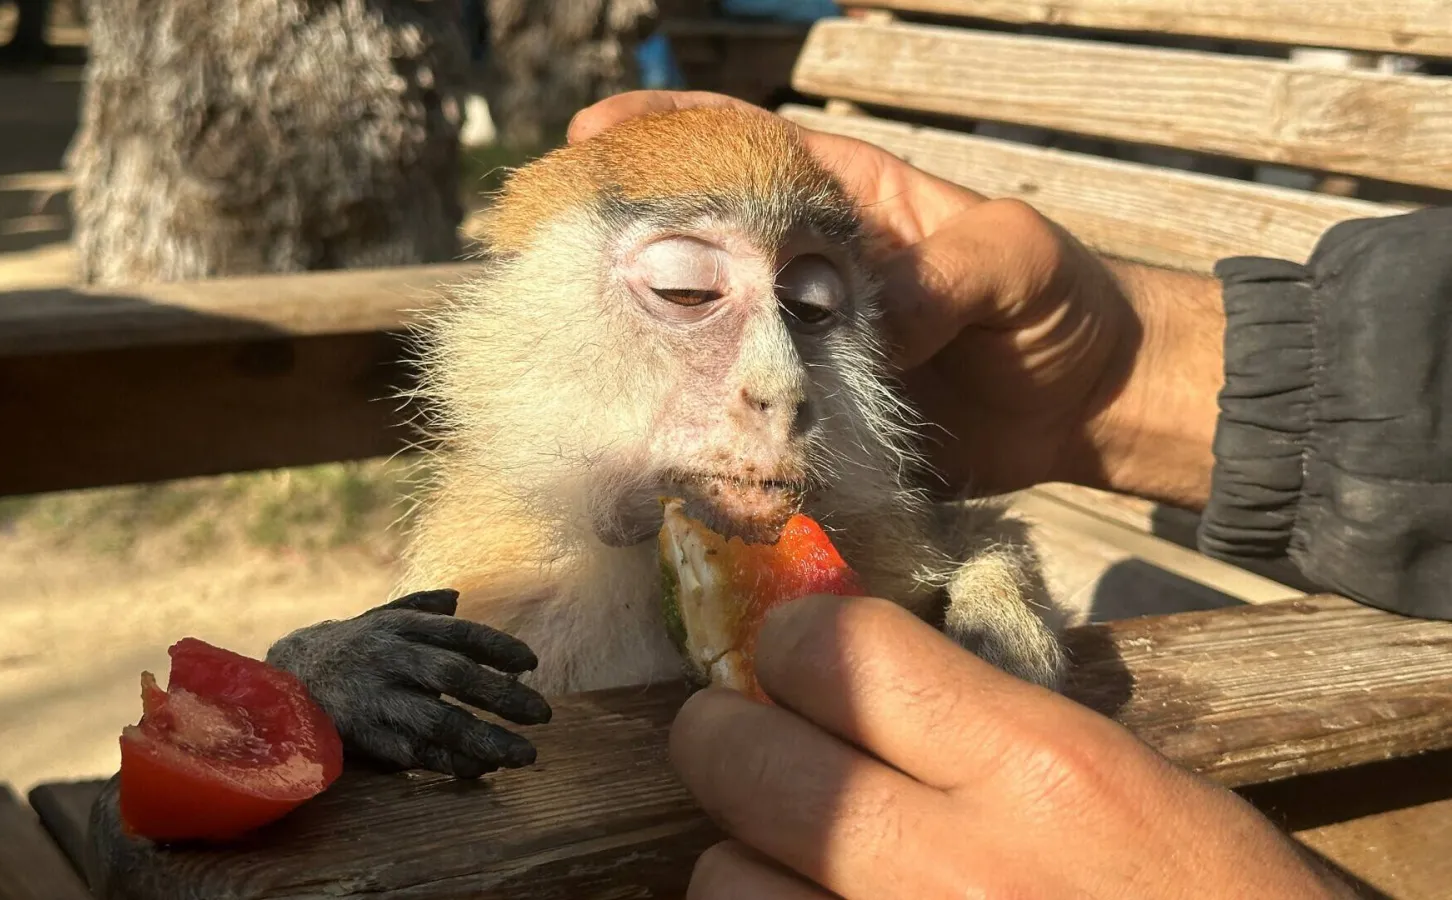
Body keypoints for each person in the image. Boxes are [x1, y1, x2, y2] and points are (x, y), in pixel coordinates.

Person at [568, 89, 1452, 899]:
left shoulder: (874, 534)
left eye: (811, 303)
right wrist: (1124, 374)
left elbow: (951, 554)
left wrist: (986, 572)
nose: (781, 381)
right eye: (685, 287)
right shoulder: (477, 560)